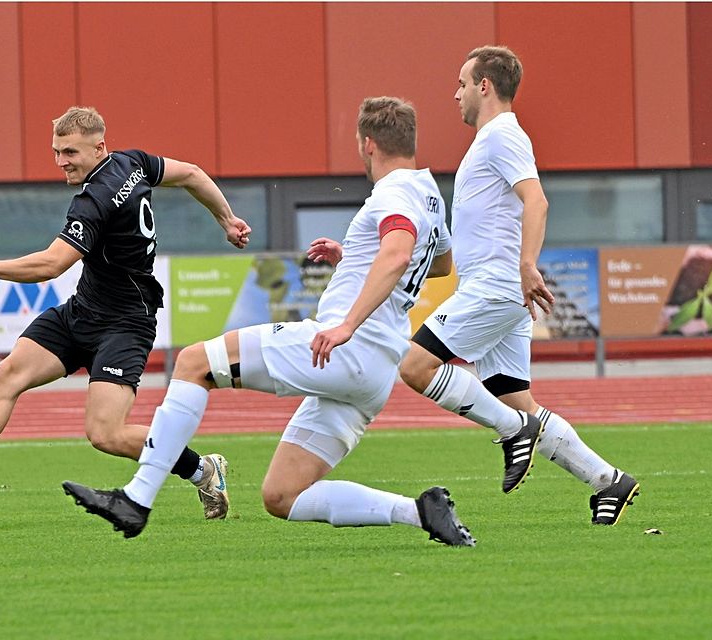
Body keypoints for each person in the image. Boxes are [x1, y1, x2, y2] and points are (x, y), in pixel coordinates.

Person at [63, 97, 475, 547]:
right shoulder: (429, 193)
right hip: (376, 371)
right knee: (283, 495)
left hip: (342, 348)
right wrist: (353, 257)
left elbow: (398, 252)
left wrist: (346, 325)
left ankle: (136, 500)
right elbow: (436, 265)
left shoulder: (393, 193)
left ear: (367, 143)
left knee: (193, 363)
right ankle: (421, 512)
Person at [0, 106, 251, 520]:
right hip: (83, 311)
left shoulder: (94, 199)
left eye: (70, 153)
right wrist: (226, 219)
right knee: (9, 373)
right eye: (56, 151)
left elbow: (51, 264)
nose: (61, 161)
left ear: (99, 147)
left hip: (126, 324)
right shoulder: (131, 161)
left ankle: (204, 470)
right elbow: (190, 173)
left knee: (106, 434)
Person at [398, 46, 639, 525]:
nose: (456, 95)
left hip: (496, 286)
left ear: (484, 85)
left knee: (415, 365)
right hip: (497, 288)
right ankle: (608, 481)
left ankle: (515, 432)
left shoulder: (502, 135)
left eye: (461, 84)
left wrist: (528, 265)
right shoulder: (490, 140)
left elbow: (537, 201)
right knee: (514, 399)